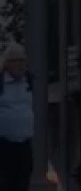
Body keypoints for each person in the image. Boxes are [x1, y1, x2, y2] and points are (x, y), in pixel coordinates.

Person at [0, 43, 33, 191]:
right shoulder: (1, 83)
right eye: (16, 61)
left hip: (24, 144)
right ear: (7, 64)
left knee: (22, 183)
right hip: (4, 144)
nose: (20, 65)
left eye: (22, 61)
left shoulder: (29, 81)